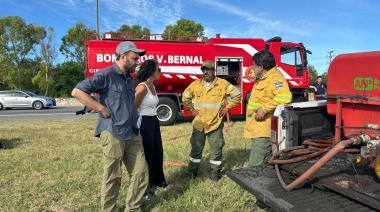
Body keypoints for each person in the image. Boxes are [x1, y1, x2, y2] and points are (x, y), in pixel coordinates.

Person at [71, 41, 149, 212]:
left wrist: (137, 130)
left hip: (131, 133)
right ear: (122, 57)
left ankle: (133, 208)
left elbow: (130, 106)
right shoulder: (106, 75)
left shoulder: (129, 79)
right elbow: (77, 91)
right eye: (135, 58)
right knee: (113, 177)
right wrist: (101, 108)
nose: (138, 62)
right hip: (113, 132)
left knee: (141, 173)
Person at [182, 60, 241, 181]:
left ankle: (215, 174)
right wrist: (191, 109)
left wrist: (227, 107)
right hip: (199, 124)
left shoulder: (222, 84)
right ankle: (192, 172)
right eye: (204, 70)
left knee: (216, 151)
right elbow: (185, 97)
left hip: (215, 124)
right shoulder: (196, 84)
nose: (205, 72)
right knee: (196, 149)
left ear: (214, 71)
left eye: (208, 69)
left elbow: (237, 95)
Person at [244, 50, 292, 167]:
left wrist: (264, 109)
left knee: (255, 166)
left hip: (263, 131)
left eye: (254, 65)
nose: (253, 68)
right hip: (257, 127)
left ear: (261, 67)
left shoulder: (275, 77)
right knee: (264, 163)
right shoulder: (265, 77)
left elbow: (285, 97)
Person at [134, 59, 167, 200]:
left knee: (157, 152)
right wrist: (136, 130)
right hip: (144, 122)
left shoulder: (152, 86)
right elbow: (133, 108)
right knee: (147, 156)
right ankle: (145, 191)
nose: (160, 72)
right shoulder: (142, 88)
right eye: (159, 69)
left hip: (154, 121)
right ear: (152, 71)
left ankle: (157, 181)